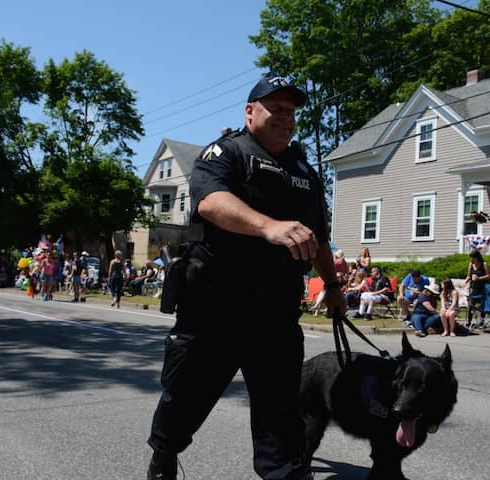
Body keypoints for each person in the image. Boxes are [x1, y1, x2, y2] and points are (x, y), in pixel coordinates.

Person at [146, 75, 345, 480]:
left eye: (291, 111)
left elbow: (319, 238)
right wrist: (268, 226)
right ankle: (164, 454)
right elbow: (211, 202)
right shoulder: (225, 152)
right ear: (250, 111)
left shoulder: (304, 169)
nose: (285, 118)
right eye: (276, 108)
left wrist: (335, 287)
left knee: (282, 412)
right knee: (186, 398)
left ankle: (287, 473)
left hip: (275, 312)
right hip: (215, 307)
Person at [464, 250, 490, 328]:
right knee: (471, 303)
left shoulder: (484, 264)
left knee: (483, 303)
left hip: (482, 286)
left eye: (473, 258)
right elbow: (469, 275)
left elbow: (488, 275)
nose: (472, 259)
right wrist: (466, 280)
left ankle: (482, 321)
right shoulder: (471, 265)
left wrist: (479, 278)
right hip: (473, 286)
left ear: (477, 257)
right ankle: (469, 321)